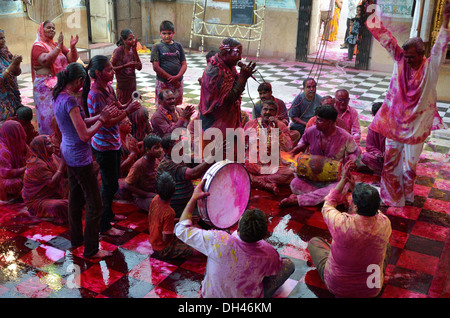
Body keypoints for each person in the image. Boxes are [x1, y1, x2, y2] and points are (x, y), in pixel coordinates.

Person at [365, 4, 450, 207]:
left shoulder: (431, 67)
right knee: (391, 162)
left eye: (412, 57)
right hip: (394, 123)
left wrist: (446, 21)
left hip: (417, 126)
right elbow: (385, 38)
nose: (408, 60)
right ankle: (391, 197)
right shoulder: (400, 59)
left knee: (410, 165)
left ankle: (407, 195)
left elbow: (440, 46)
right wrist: (372, 15)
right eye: (406, 56)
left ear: (422, 55)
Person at [175, 179, 295, 298]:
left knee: (211, 248)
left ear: (238, 228)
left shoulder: (218, 240)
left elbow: (180, 230)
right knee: (288, 264)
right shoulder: (269, 253)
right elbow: (274, 270)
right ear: (263, 235)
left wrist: (194, 197)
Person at [52, 62, 113, 258]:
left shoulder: (58, 96)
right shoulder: (70, 101)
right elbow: (85, 135)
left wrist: (97, 117)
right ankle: (91, 249)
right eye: (82, 82)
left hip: (68, 153)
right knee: (95, 203)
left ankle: (77, 239)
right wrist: (102, 120)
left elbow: (78, 122)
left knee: (76, 198)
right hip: (79, 157)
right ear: (79, 80)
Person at [308, 162, 392, 298]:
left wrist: (342, 180)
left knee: (314, 242)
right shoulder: (385, 223)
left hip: (337, 287)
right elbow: (372, 209)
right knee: (386, 246)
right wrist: (356, 190)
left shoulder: (341, 223)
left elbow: (328, 204)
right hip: (371, 289)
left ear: (356, 208)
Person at [85, 55, 141, 236]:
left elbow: (118, 106)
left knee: (113, 181)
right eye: (109, 70)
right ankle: (104, 226)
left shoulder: (108, 88)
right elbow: (107, 122)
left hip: (114, 142)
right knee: (108, 185)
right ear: (97, 73)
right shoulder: (95, 94)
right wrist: (127, 111)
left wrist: (127, 105)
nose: (113, 72)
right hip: (103, 145)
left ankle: (109, 214)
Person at [280, 105, 360, 208]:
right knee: (294, 184)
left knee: (342, 187)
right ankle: (331, 197)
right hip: (312, 176)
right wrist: (298, 149)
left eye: (319, 120)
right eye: (316, 119)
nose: (316, 122)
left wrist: (350, 161)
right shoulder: (311, 131)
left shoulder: (345, 136)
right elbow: (302, 142)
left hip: (335, 179)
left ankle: (299, 200)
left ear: (330, 122)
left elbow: (355, 152)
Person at [198, 38, 256, 137]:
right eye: (238, 54)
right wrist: (242, 77)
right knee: (219, 151)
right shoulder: (215, 71)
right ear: (225, 54)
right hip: (215, 124)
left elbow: (233, 82)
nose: (240, 58)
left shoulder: (227, 65)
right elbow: (229, 98)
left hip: (227, 121)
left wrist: (243, 76)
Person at [31, 20, 79, 135]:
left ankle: (62, 139)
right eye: (48, 27)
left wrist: (72, 47)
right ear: (42, 30)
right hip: (44, 87)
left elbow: (72, 59)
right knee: (47, 116)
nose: (52, 29)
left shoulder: (54, 44)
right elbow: (46, 60)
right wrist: (58, 46)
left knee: (59, 113)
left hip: (57, 84)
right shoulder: (38, 45)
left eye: (53, 28)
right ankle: (48, 142)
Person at [244, 100, 294, 194]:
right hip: (252, 165)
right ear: (261, 111)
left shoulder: (281, 126)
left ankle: (256, 180)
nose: (267, 112)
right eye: (265, 109)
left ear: (275, 113)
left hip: (271, 167)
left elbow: (289, 147)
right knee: (238, 165)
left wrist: (277, 131)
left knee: (289, 174)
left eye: (271, 110)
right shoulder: (251, 124)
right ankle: (263, 181)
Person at [157, 134, 213, 217]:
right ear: (166, 150)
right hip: (177, 208)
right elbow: (193, 174)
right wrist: (211, 157)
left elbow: (200, 162)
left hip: (188, 201)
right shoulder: (167, 165)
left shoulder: (180, 156)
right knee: (208, 215)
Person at [148, 171, 197, 259]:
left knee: (191, 235)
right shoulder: (169, 212)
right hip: (163, 248)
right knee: (196, 249)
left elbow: (160, 222)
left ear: (156, 190)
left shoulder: (154, 200)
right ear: (174, 190)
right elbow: (166, 239)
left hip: (154, 241)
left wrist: (181, 221)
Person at [22, 135, 68, 224]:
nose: (53, 145)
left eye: (51, 142)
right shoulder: (37, 164)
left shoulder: (51, 156)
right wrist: (62, 164)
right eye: (48, 144)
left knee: (78, 189)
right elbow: (52, 184)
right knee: (65, 205)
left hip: (53, 193)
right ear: (41, 147)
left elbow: (64, 174)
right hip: (38, 201)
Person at [151, 20, 187, 106]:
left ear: (173, 33)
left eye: (169, 33)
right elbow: (156, 67)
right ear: (160, 33)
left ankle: (175, 119)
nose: (166, 36)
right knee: (163, 105)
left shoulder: (178, 46)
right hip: (163, 82)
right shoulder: (156, 47)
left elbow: (184, 64)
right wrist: (171, 79)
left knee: (175, 105)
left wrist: (177, 77)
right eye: (164, 33)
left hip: (178, 82)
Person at [124, 134, 163, 212]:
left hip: (155, 193)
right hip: (142, 198)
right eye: (156, 148)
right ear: (147, 150)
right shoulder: (139, 165)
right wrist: (146, 194)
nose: (160, 150)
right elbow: (127, 185)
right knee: (159, 206)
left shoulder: (156, 160)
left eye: (161, 147)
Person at [111, 28, 142, 105]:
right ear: (124, 40)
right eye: (130, 39)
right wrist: (126, 66)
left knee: (133, 105)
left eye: (133, 38)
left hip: (132, 85)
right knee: (124, 107)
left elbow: (139, 67)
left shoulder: (132, 50)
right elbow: (111, 68)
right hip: (122, 86)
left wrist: (135, 51)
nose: (133, 41)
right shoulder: (118, 51)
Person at [0, 120, 28, 202]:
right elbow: (5, 173)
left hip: (21, 173)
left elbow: (31, 156)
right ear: (13, 134)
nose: (23, 135)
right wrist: (24, 169)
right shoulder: (3, 151)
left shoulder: (18, 142)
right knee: (12, 184)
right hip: (4, 178)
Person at [0, 29, 22, 121]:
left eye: (3, 37)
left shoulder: (5, 53)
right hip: (2, 100)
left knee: (16, 122)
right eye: (0, 38)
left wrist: (17, 64)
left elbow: (17, 73)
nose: (3, 40)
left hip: (12, 96)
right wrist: (12, 65)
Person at [361, 102, 385, 176]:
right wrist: (378, 154)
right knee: (364, 156)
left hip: (391, 156)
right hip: (379, 158)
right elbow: (369, 146)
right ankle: (381, 170)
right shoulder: (371, 128)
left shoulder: (392, 126)